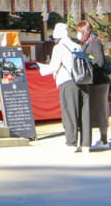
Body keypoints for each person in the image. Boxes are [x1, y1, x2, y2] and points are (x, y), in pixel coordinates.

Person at [37, 22, 91, 152]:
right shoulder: (77, 45)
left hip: (68, 82)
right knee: (85, 112)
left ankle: (71, 142)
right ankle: (86, 144)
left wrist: (41, 68)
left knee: (69, 112)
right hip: (84, 81)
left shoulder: (59, 47)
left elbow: (54, 67)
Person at [76, 19, 110, 151]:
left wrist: (87, 64)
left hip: (99, 81)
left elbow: (100, 62)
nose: (78, 34)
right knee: (92, 110)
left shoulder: (94, 42)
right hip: (91, 81)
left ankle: (104, 139)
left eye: (79, 31)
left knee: (100, 109)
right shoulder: (87, 42)